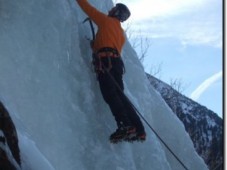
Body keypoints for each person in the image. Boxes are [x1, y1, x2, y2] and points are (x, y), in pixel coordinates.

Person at [76, 0, 146, 142]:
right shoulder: (120, 33)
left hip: (106, 62)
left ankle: (125, 125)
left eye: (113, 9)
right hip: (116, 64)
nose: (110, 10)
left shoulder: (106, 21)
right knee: (120, 96)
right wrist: (95, 45)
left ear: (116, 13)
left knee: (110, 94)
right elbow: (108, 43)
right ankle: (138, 129)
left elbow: (88, 8)